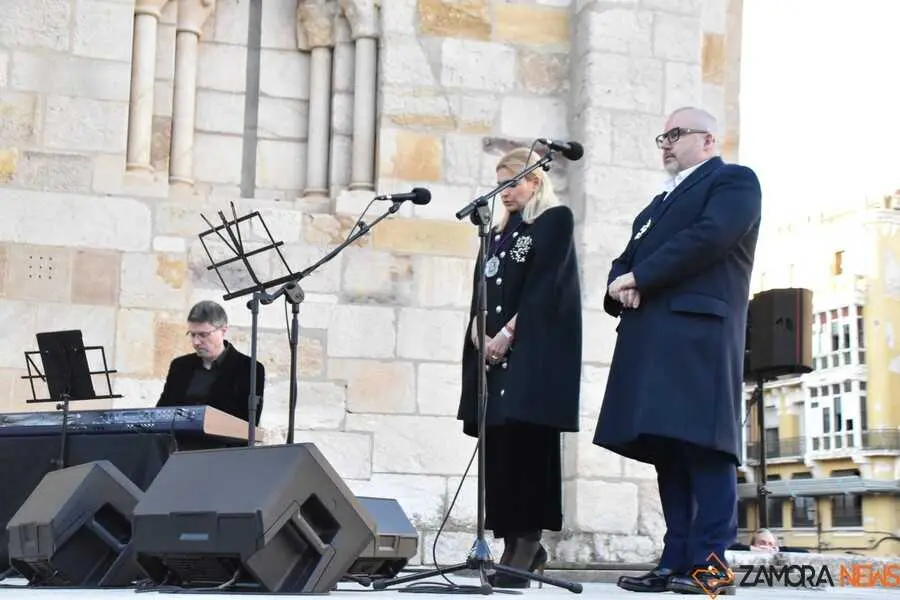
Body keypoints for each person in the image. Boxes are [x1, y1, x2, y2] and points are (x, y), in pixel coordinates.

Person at [592, 106, 762, 595]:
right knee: (668, 448)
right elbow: (624, 259)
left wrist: (641, 277)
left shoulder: (733, 182)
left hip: (699, 336)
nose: (665, 143)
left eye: (675, 134)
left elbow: (710, 237)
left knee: (704, 448)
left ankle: (712, 568)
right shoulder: (655, 206)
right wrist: (618, 284)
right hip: (653, 338)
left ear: (708, 140)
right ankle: (675, 561)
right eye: (661, 136)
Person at [457, 147, 582, 588]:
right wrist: (478, 331)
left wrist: (509, 333)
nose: (505, 191)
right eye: (501, 182)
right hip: (492, 359)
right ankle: (511, 539)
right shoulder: (495, 233)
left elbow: (547, 285)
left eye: (513, 182)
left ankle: (527, 542)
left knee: (529, 449)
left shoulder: (553, 221)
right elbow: (480, 289)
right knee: (501, 452)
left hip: (531, 357)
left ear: (535, 182)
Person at [157, 300, 265, 426]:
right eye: (192, 335)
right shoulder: (180, 366)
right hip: (177, 443)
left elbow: (248, 424)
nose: (196, 342)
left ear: (223, 330)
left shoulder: (249, 368)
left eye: (203, 334)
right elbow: (161, 413)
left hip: (225, 444)